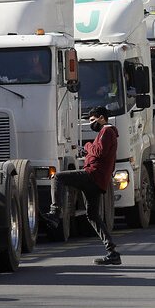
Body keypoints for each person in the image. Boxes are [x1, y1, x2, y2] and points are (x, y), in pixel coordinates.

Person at [47, 106, 121, 265]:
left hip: (93, 175)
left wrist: (87, 147)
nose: (91, 124)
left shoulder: (107, 131)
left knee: (58, 177)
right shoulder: (107, 133)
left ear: (102, 118)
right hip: (98, 179)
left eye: (93, 120)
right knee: (92, 215)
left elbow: (99, 151)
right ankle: (112, 252)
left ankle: (55, 212)